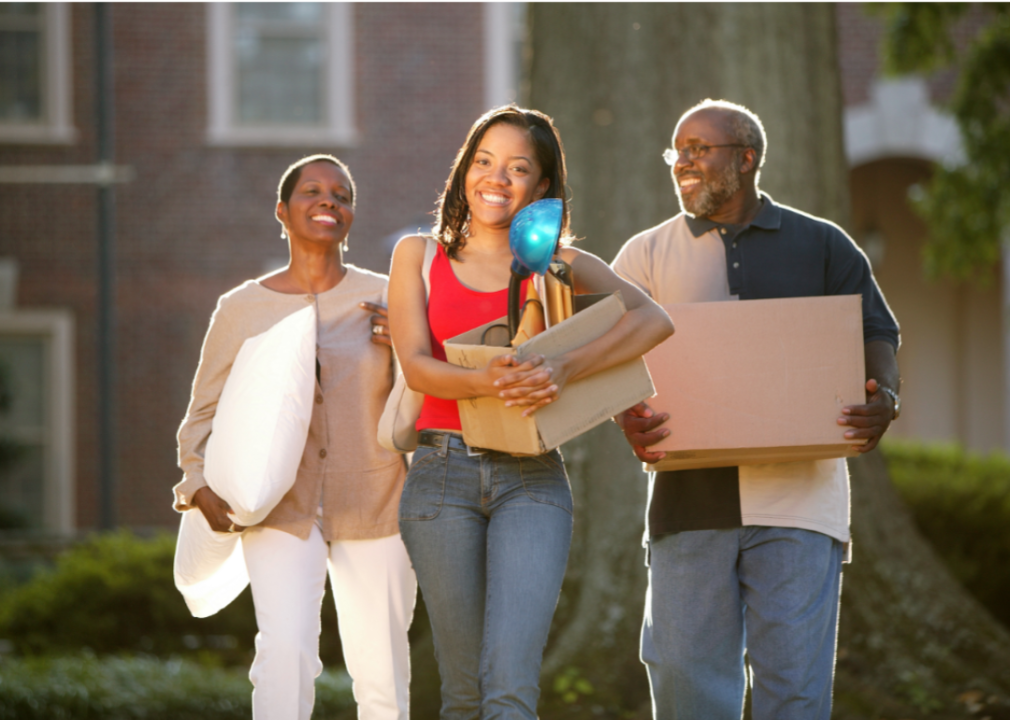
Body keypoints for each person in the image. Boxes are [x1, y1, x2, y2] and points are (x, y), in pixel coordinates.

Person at [611, 99, 901, 720]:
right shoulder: (643, 257)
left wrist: (887, 397)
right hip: (690, 499)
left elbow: (877, 332)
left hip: (802, 500)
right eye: (677, 151)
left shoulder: (823, 244)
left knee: (794, 689)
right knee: (686, 682)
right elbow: (606, 356)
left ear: (746, 159)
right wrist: (624, 414)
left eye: (699, 150)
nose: (683, 162)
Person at [387, 105, 674, 719]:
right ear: (465, 170)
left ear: (541, 186)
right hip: (441, 476)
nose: (497, 177)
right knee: (462, 695)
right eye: (484, 162)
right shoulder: (420, 256)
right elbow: (414, 366)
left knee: (511, 688)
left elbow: (655, 319)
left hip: (533, 480)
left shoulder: (558, 265)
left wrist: (569, 366)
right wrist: (487, 378)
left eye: (518, 168)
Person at [174, 155, 416, 720]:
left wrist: (406, 346)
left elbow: (424, 399)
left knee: (382, 668)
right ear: (282, 212)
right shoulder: (241, 308)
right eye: (312, 191)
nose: (329, 200)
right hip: (279, 508)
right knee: (283, 656)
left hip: (378, 501)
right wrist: (196, 483)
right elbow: (202, 412)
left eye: (342, 193)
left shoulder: (390, 298)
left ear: (352, 215)